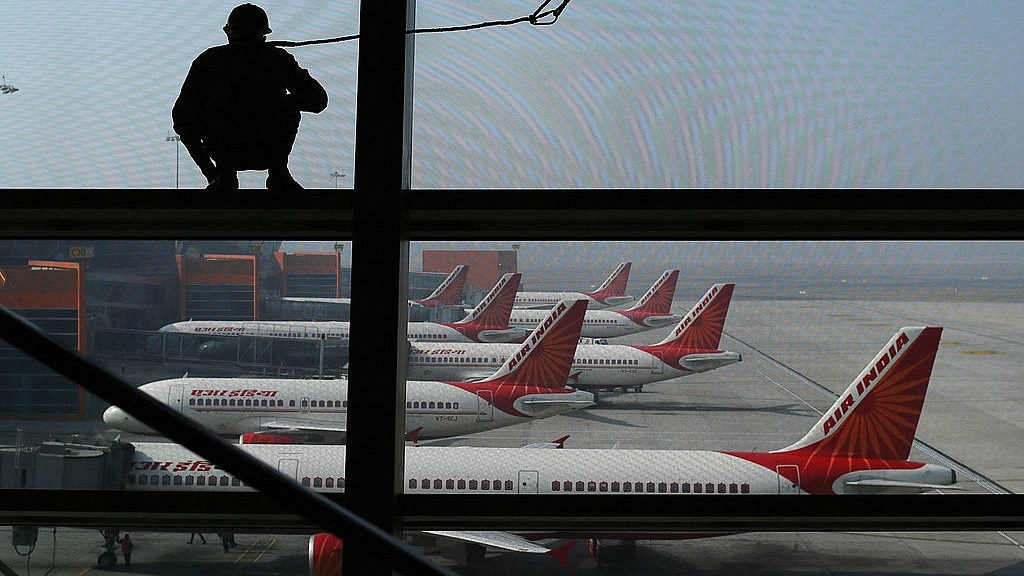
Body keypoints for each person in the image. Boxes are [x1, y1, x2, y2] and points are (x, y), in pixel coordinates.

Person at [172, 3, 328, 190]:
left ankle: (225, 175)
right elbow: (317, 100)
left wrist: (211, 173)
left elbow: (182, 117)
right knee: (289, 107)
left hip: (226, 151)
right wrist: (280, 103)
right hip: (268, 149)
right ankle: (278, 173)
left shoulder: (209, 60)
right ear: (263, 33)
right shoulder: (276, 59)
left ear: (229, 32)